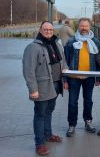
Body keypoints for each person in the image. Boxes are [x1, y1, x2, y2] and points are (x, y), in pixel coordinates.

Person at [22, 21, 68, 156]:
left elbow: (63, 61)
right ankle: (40, 143)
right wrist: (33, 89)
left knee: (49, 111)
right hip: (42, 87)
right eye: (45, 29)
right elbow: (28, 71)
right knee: (40, 114)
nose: (48, 31)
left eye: (50, 29)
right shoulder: (33, 47)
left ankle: (48, 135)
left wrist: (65, 72)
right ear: (40, 30)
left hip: (56, 85)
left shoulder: (57, 44)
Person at [64, 18, 100, 137]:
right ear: (78, 27)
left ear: (90, 27)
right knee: (72, 102)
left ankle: (88, 121)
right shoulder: (71, 41)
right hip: (73, 77)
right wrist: (65, 79)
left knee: (88, 100)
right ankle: (72, 125)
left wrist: (98, 78)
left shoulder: (95, 41)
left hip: (89, 77)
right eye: (81, 26)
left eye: (86, 26)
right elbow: (65, 61)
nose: (84, 28)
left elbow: (99, 60)